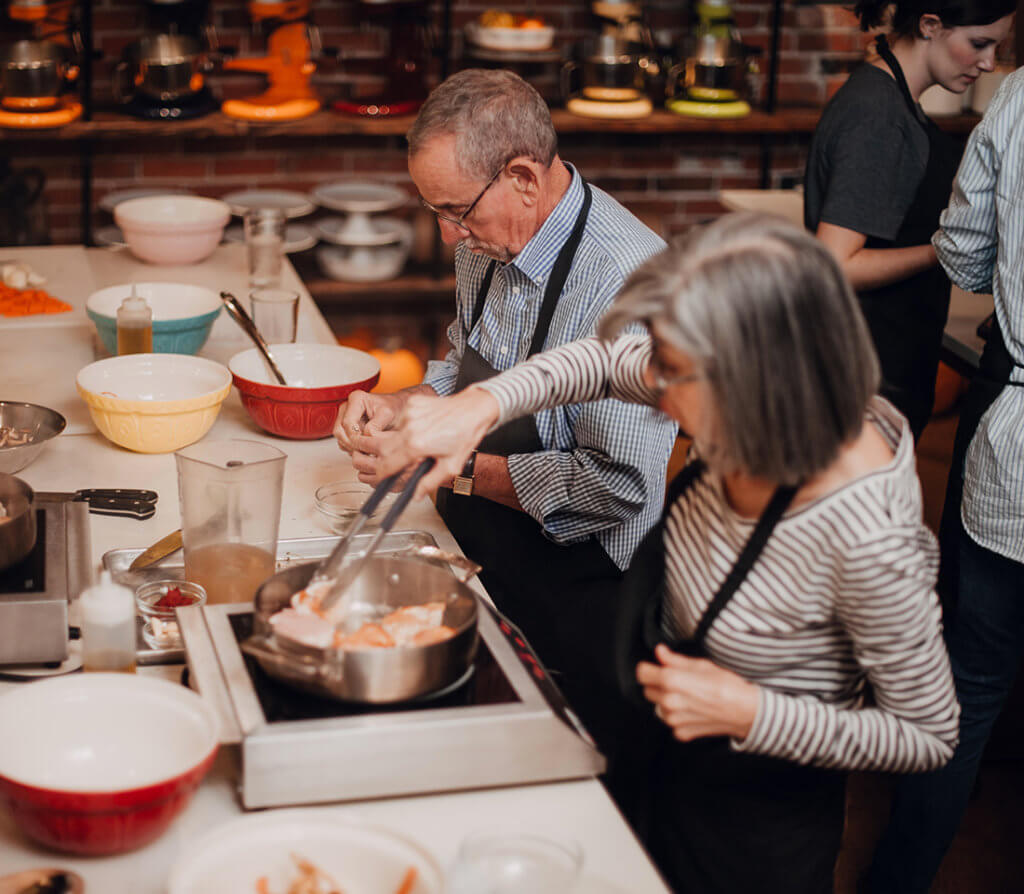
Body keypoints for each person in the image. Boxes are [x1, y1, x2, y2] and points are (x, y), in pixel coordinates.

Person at [357, 213, 960, 894]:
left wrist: (753, 714)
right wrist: (478, 408)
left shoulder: (867, 533)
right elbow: (600, 362)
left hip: (754, 828)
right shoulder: (732, 389)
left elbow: (928, 733)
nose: (655, 393)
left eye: (672, 375)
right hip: (657, 750)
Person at [334, 69, 677, 755]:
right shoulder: (488, 241)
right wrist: (404, 406)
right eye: (435, 210)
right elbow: (465, 363)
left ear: (522, 177)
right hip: (483, 559)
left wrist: (453, 465)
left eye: (456, 210)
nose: (448, 234)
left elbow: (615, 488)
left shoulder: (626, 282)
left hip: (580, 598)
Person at [862, 67, 1024, 894]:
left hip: (1016, 438)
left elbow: (962, 254)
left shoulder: (1020, 99)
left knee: (973, 680)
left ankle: (896, 881)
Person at [804, 0, 1014, 439]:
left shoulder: (891, 100)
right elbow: (836, 264)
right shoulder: (878, 115)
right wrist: (948, 248)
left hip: (882, 366)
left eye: (996, 47)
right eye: (979, 43)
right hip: (862, 380)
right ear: (930, 25)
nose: (989, 63)